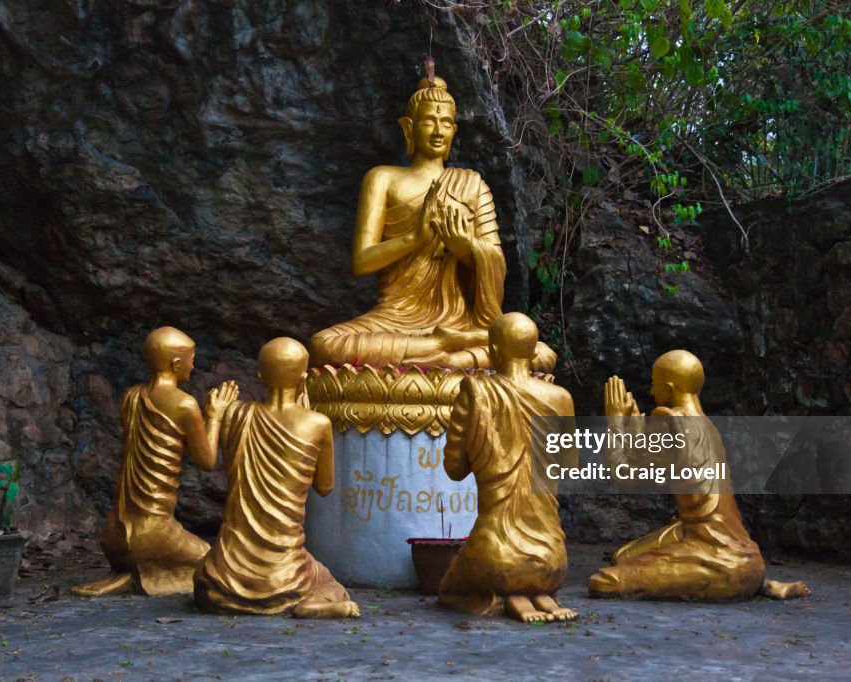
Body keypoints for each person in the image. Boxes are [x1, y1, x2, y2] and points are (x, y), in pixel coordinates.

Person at [309, 76, 555, 371]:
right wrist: (414, 238)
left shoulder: (472, 185)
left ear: (454, 129)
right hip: (394, 320)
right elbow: (362, 261)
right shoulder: (383, 179)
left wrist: (465, 248)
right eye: (429, 122)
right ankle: (445, 350)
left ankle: (452, 353)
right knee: (324, 344)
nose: (439, 131)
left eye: (446, 123)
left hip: (460, 323)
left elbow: (496, 261)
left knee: (536, 350)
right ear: (409, 128)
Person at [589, 350, 808, 601]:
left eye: (654, 385)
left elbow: (623, 474)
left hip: (716, 553)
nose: (651, 393)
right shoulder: (707, 425)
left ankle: (749, 582)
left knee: (604, 582)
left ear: (669, 389)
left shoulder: (670, 420)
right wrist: (636, 434)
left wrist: (616, 421)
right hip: (731, 546)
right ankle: (758, 581)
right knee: (623, 556)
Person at [194, 338, 359, 618]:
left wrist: (214, 415)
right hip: (286, 574)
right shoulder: (317, 424)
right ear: (304, 378)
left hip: (224, 577)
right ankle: (312, 604)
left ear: (260, 376)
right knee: (328, 583)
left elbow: (207, 460)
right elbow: (325, 486)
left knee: (201, 575)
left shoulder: (235, 414)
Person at [73, 327, 237, 596]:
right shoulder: (184, 404)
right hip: (154, 534)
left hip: (114, 535)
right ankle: (147, 570)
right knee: (214, 561)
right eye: (191, 359)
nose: (194, 365)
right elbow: (207, 460)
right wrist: (215, 415)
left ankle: (132, 572)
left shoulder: (131, 397)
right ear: (176, 363)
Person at [437, 313, 576, 623]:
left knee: (450, 587)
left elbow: (454, 469)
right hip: (552, 561)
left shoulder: (476, 393)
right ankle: (538, 596)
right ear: (534, 351)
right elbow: (568, 468)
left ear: (494, 352)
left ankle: (510, 597)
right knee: (529, 571)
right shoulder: (561, 398)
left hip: (495, 557)